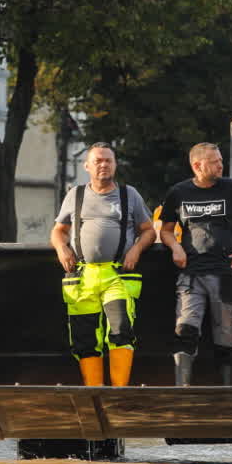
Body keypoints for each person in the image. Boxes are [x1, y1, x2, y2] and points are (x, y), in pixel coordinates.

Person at [158, 142, 232, 386]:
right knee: (185, 329)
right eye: (215, 161)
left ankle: (227, 391)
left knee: (227, 338)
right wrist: (176, 247)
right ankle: (182, 391)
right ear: (197, 165)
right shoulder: (179, 192)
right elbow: (166, 230)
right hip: (191, 274)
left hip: (227, 274)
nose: (221, 165)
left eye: (221, 160)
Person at [51, 143, 155, 386]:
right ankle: (93, 392)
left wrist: (137, 249)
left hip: (118, 276)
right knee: (84, 337)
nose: (103, 164)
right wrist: (61, 247)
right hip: (82, 278)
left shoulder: (130, 195)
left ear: (115, 165)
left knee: (120, 331)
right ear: (87, 166)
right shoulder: (75, 195)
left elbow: (149, 231)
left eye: (108, 160)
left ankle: (119, 392)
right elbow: (58, 231)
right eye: (98, 160)